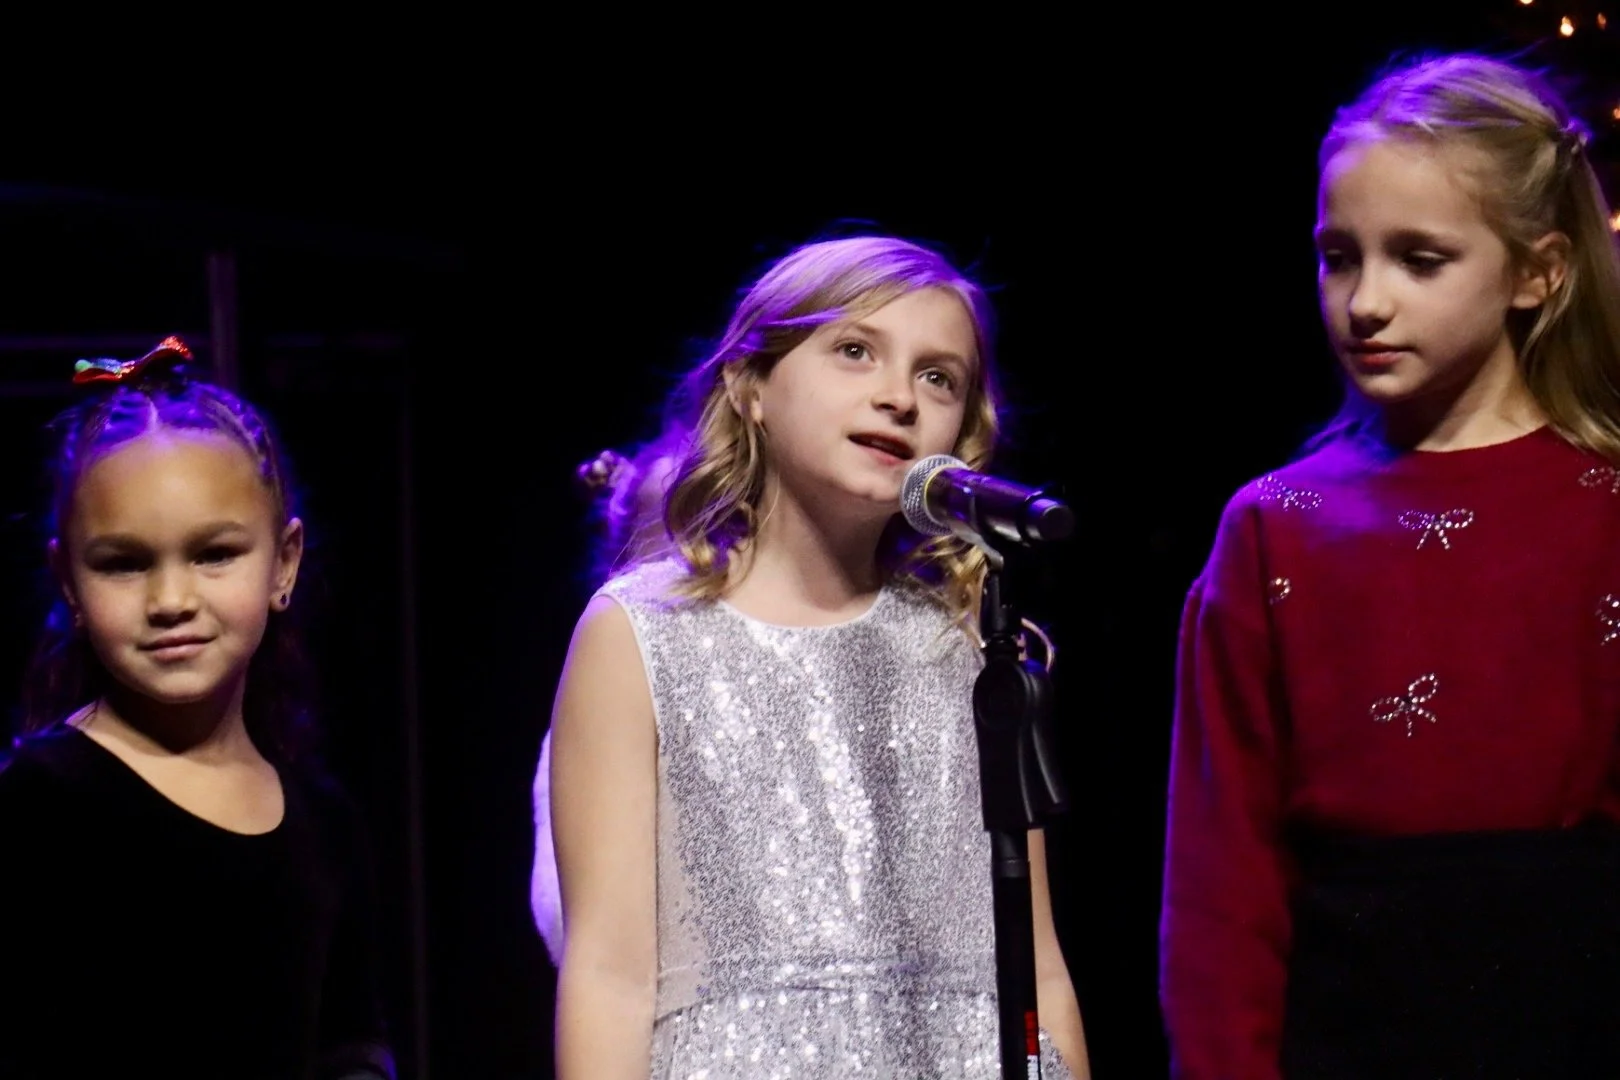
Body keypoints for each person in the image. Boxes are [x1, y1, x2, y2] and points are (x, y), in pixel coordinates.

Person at [1159, 53, 1620, 1079]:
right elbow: (1221, 878)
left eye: (1419, 259)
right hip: (1349, 1033)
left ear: (1538, 272)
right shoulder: (1276, 527)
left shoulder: (1605, 510)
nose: (1365, 301)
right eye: (1338, 257)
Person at [547, 235, 1090, 1078]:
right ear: (750, 386)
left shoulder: (964, 644)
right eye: (854, 351)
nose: (899, 399)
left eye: (937, 377)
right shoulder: (641, 634)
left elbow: (1037, 968)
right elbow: (609, 978)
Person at [0, 338, 395, 1080]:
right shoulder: (36, 808)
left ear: (284, 564)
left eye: (213, 554)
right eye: (125, 563)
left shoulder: (324, 820)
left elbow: (350, 1045)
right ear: (67, 581)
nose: (172, 601)